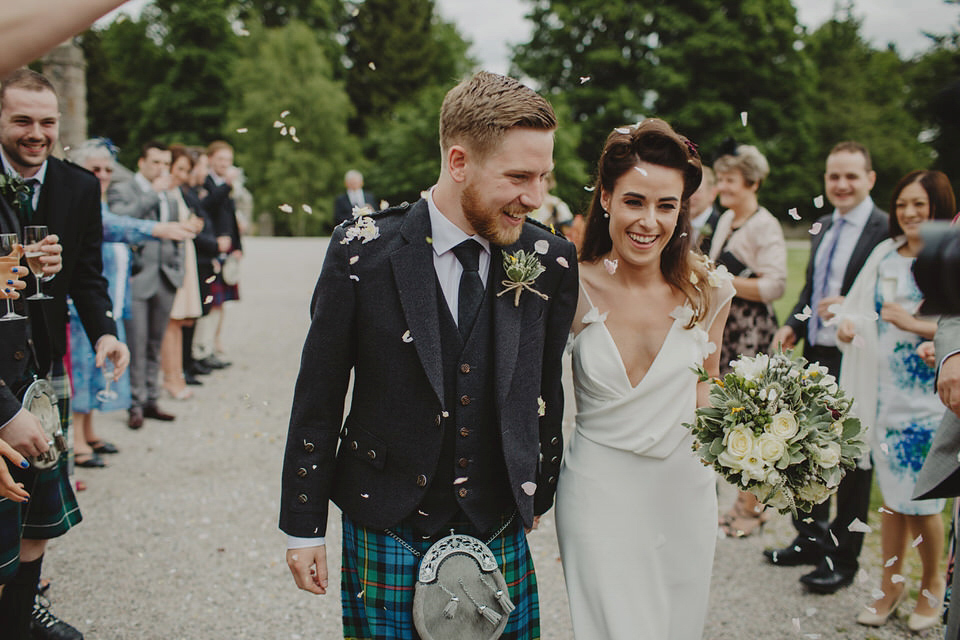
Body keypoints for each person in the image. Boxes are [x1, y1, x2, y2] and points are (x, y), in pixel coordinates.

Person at [280, 71, 578, 639]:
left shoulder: (548, 256)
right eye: (518, 176)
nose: (536, 197)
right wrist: (303, 526)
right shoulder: (361, 250)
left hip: (496, 519)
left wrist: (538, 481)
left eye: (543, 176)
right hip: (386, 516)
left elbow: (544, 389)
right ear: (459, 161)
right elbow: (317, 396)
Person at [555, 119, 733, 639]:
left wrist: (756, 446)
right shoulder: (569, 286)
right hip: (598, 491)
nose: (649, 222)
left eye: (666, 206)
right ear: (606, 197)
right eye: (635, 201)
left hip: (684, 494)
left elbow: (710, 385)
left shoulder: (711, 290)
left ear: (683, 209)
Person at [0, 68, 129, 640]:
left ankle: (19, 616)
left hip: (43, 365)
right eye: (22, 120)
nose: (36, 133)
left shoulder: (78, 186)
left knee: (38, 510)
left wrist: (105, 332)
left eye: (47, 121)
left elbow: (87, 273)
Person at [766, 141, 889, 594]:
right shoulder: (825, 224)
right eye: (834, 176)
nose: (841, 184)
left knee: (853, 461)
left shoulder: (885, 230)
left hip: (856, 355)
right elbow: (812, 286)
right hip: (817, 354)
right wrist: (794, 324)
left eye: (851, 176)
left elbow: (891, 299)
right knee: (807, 451)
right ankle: (809, 540)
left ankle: (844, 558)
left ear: (870, 179)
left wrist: (856, 309)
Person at [833, 169, 954, 631]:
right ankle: (889, 588)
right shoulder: (885, 254)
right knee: (892, 503)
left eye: (919, 205)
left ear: (938, 206)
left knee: (924, 504)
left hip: (930, 398)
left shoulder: (948, 253)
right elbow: (860, 308)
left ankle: (931, 589)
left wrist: (915, 325)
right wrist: (849, 322)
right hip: (883, 395)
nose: (908, 214)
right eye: (902, 205)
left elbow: (955, 324)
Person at [67, 139, 194, 467]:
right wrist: (158, 229)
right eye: (95, 169)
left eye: (108, 169)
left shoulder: (98, 199)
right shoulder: (80, 204)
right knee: (83, 370)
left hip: (110, 299)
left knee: (97, 371)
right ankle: (78, 442)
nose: (103, 175)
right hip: (82, 305)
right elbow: (113, 227)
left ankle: (90, 431)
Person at [709, 144, 787, 538]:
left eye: (730, 181)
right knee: (729, 413)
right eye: (721, 179)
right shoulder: (726, 219)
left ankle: (751, 507)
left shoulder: (764, 225)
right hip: (726, 326)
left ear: (753, 183)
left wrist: (725, 281)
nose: (722, 187)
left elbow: (776, 285)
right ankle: (740, 499)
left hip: (752, 330)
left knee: (752, 417)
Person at [108, 141, 183, 429]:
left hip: (165, 278)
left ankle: (152, 398)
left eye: (165, 163)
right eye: (155, 163)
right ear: (141, 162)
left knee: (155, 342)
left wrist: (176, 270)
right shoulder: (124, 189)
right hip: (137, 278)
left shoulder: (171, 197)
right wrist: (154, 193)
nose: (161, 169)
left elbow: (175, 234)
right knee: (135, 344)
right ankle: (134, 404)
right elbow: (121, 221)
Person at [159, 145, 204, 400]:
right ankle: (170, 377)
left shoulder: (177, 191)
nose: (184, 175)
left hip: (184, 258)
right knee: (171, 322)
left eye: (187, 170)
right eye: (180, 169)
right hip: (173, 261)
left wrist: (193, 225)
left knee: (178, 323)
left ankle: (177, 374)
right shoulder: (164, 191)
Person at [195, 140, 242, 369]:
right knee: (210, 302)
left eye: (229, 160)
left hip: (226, 250)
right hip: (210, 248)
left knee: (220, 304)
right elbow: (208, 206)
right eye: (221, 159)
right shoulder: (206, 181)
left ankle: (212, 345)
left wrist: (238, 246)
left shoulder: (223, 184)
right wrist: (226, 185)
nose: (225, 164)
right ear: (211, 158)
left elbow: (231, 218)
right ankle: (202, 349)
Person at [689, 165, 720, 254]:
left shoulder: (720, 225)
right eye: (688, 191)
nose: (691, 197)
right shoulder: (677, 224)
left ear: (712, 194)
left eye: (697, 191)